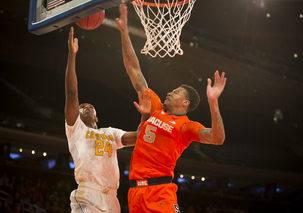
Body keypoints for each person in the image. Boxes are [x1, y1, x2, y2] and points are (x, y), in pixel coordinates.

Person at [116, 4, 227, 213]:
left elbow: (217, 139)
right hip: (134, 192)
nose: (169, 93)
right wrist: (124, 33)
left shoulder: (186, 127)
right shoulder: (155, 105)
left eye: (176, 92)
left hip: (160, 191)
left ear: (185, 103)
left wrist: (213, 102)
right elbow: (133, 69)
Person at [64, 27, 151, 213]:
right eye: (82, 107)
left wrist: (145, 114)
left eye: (90, 107)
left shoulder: (110, 133)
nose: (86, 107)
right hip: (88, 194)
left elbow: (139, 137)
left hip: (112, 199)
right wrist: (72, 55)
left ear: (96, 116)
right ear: (77, 115)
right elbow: (71, 94)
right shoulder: (76, 130)